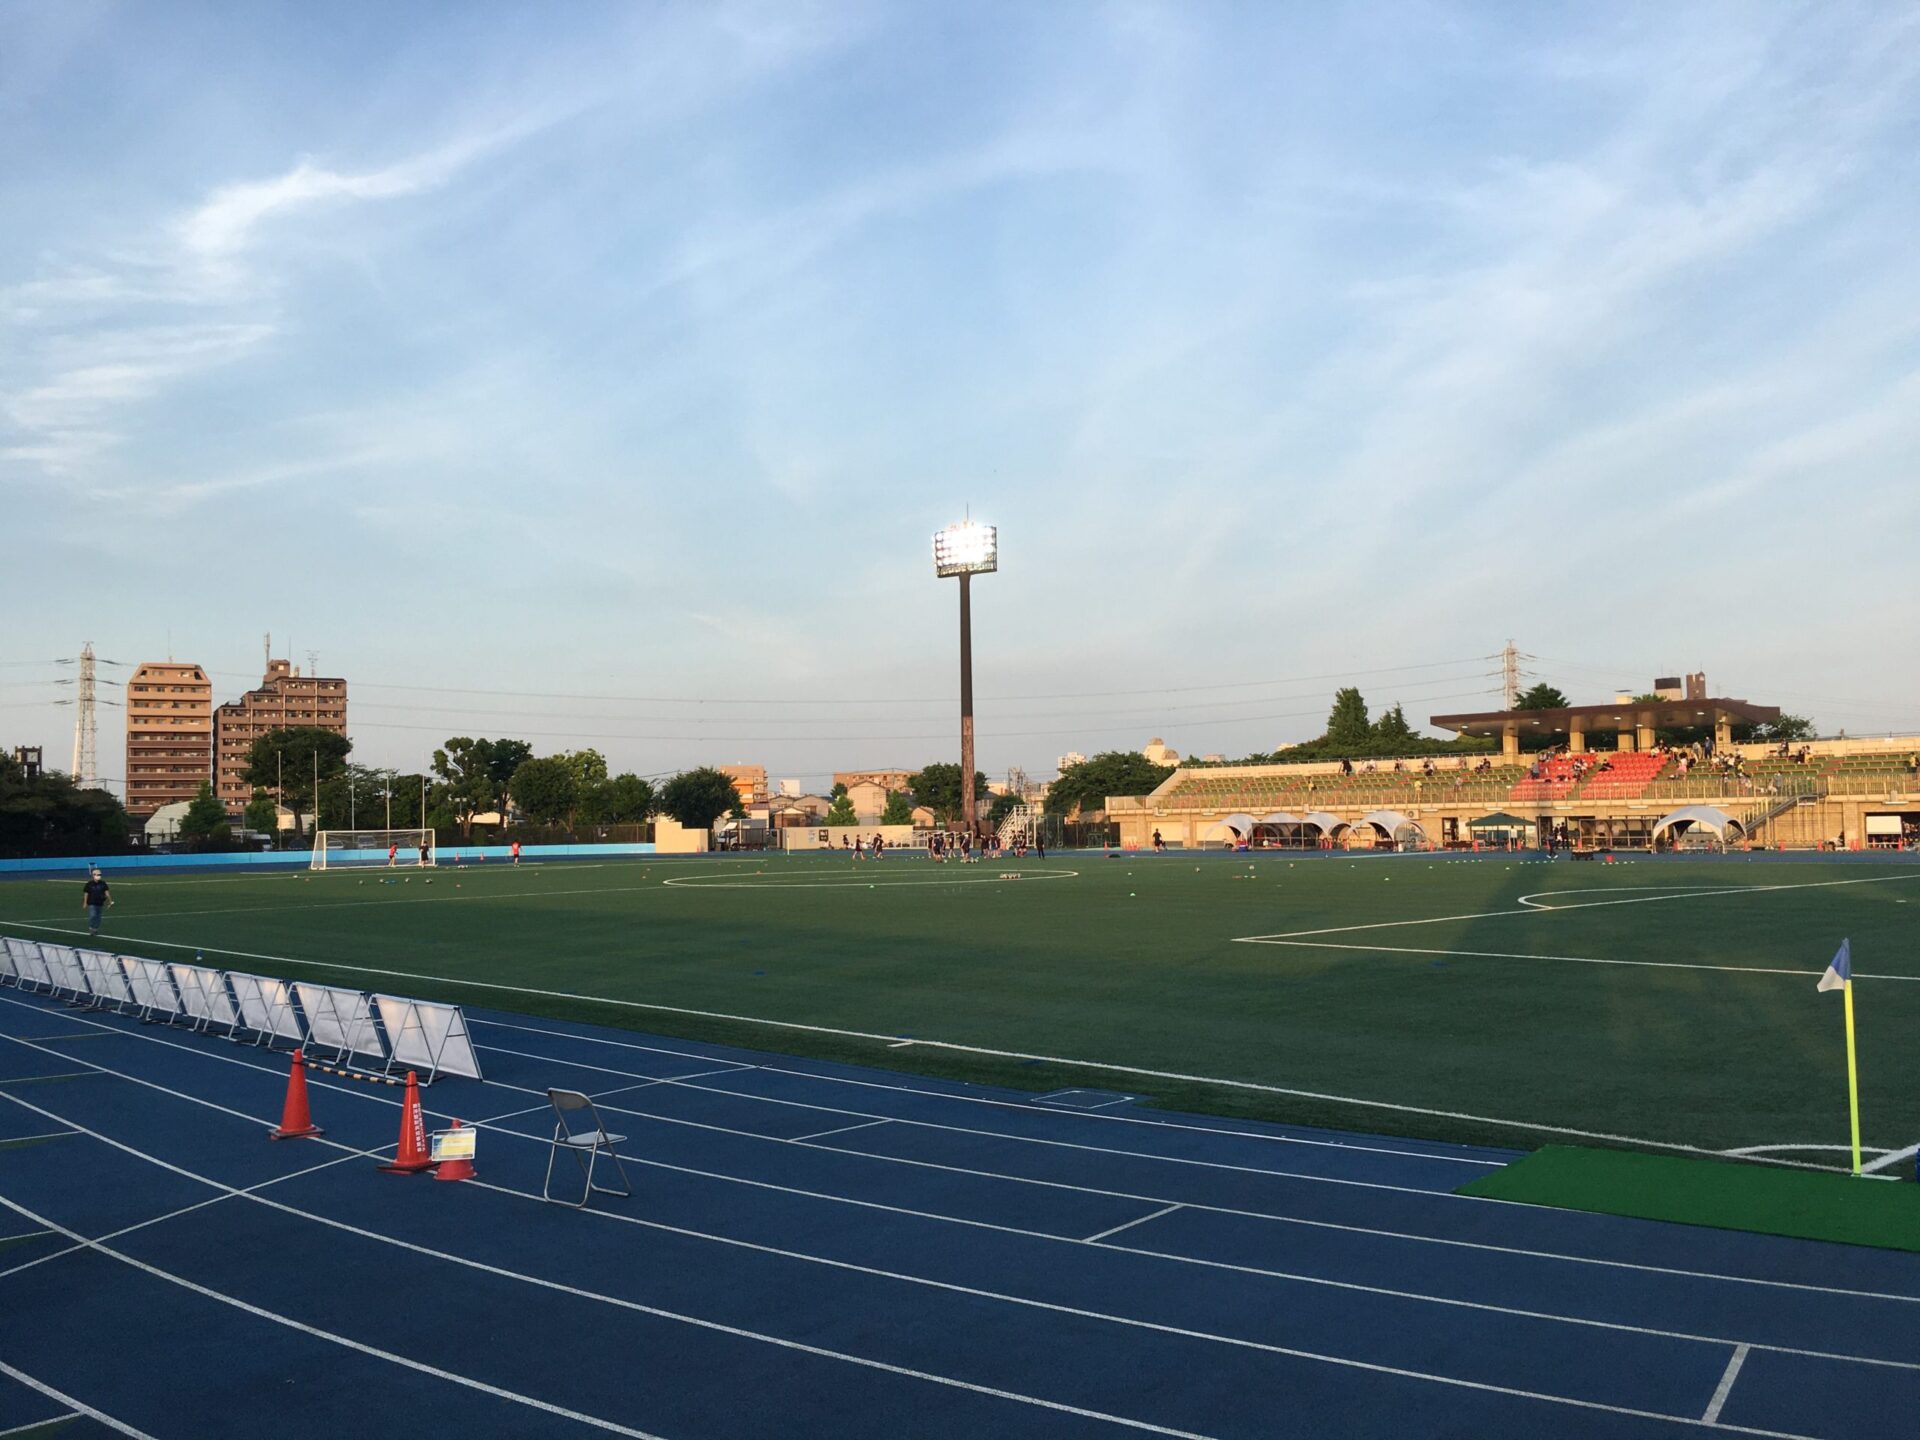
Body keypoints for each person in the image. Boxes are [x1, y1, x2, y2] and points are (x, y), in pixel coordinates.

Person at [82, 868, 112, 936]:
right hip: (91, 902)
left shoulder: (103, 883)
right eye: (97, 874)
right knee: (93, 915)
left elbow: (107, 892)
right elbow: (86, 894)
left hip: (100, 902)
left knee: (98, 917)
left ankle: (95, 929)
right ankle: (91, 927)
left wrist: (110, 900)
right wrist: (85, 902)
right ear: (93, 875)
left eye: (100, 874)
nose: (99, 876)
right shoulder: (89, 884)